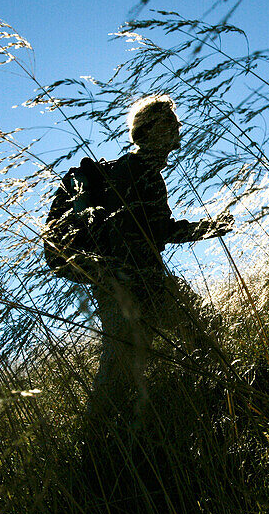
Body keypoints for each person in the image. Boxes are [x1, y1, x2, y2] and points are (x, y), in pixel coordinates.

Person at [62, 95, 233, 422]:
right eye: (171, 124)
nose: (178, 132)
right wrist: (208, 228)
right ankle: (224, 402)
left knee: (120, 369)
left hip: (117, 284)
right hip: (140, 283)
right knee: (205, 335)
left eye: (176, 124)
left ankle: (100, 441)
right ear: (149, 130)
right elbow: (160, 230)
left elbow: (147, 228)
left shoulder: (126, 170)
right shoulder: (142, 173)